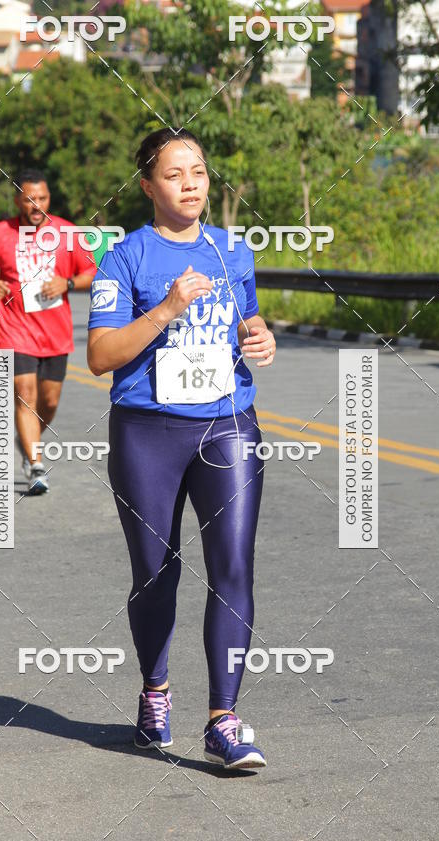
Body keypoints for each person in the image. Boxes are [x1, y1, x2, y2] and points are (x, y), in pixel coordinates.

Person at [87, 128, 276, 770]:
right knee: (155, 573)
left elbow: (246, 314)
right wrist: (167, 308)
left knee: (233, 568)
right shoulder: (125, 258)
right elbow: (99, 356)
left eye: (198, 171)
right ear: (148, 185)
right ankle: (156, 691)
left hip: (228, 425)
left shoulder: (232, 249)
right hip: (147, 433)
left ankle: (224, 719)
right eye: (175, 174)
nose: (191, 183)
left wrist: (259, 335)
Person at [0, 169, 97, 495]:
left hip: (56, 332)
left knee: (50, 402)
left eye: (42, 198)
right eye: (30, 199)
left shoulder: (66, 232)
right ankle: (36, 465)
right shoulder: (0, 233)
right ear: (18, 200)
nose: (36, 205)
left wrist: (67, 283)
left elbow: (90, 273)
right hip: (16, 329)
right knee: (24, 392)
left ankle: (28, 437)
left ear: (49, 199)